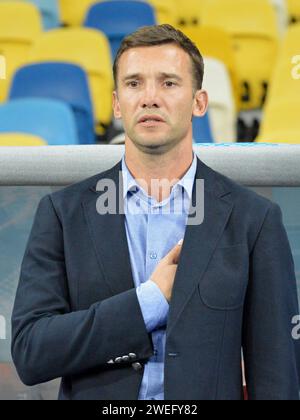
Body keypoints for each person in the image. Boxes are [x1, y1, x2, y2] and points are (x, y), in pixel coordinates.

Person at [11, 24, 299, 400]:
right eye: (134, 84)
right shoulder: (63, 214)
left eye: (168, 83)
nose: (149, 97)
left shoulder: (254, 219)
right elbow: (31, 352)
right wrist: (150, 301)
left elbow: (277, 375)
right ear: (116, 104)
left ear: (199, 102)